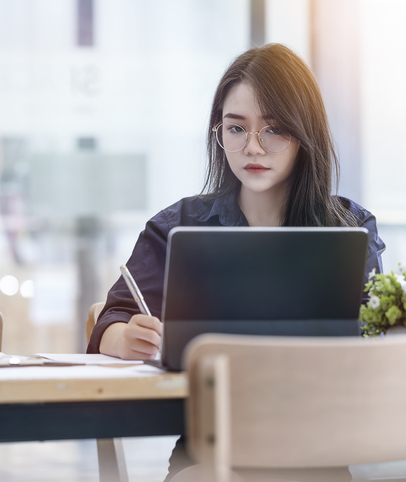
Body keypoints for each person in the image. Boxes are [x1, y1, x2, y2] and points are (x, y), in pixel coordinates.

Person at [88, 44, 386, 480]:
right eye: (235, 129)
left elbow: (375, 336)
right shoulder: (180, 224)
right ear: (219, 133)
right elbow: (110, 320)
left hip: (317, 457)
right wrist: (122, 338)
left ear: (306, 136)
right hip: (206, 457)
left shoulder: (349, 227)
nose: (252, 147)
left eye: (274, 130)